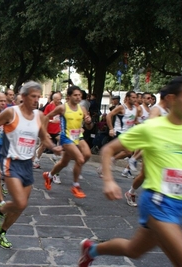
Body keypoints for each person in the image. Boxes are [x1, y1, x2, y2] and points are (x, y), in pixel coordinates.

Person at [78, 76, 182, 267]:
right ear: (172, 99)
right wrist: (109, 180)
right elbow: (108, 149)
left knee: (134, 250)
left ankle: (91, 249)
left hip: (179, 203)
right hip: (159, 202)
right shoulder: (152, 128)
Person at [0, 81, 61, 249]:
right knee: (20, 203)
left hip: (27, 164)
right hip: (10, 161)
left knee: (21, 206)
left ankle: (0, 232)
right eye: (33, 96)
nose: (36, 99)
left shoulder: (39, 116)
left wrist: (53, 147)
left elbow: (44, 137)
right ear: (25, 96)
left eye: (38, 96)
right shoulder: (11, 113)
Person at [42, 86, 93, 198]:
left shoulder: (82, 109)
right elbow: (46, 117)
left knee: (68, 161)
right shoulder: (62, 108)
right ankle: (75, 185)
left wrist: (89, 122)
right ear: (69, 97)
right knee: (80, 159)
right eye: (75, 95)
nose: (78, 97)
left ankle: (49, 175)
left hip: (78, 137)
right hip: (67, 138)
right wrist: (45, 132)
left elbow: (89, 127)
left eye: (79, 95)